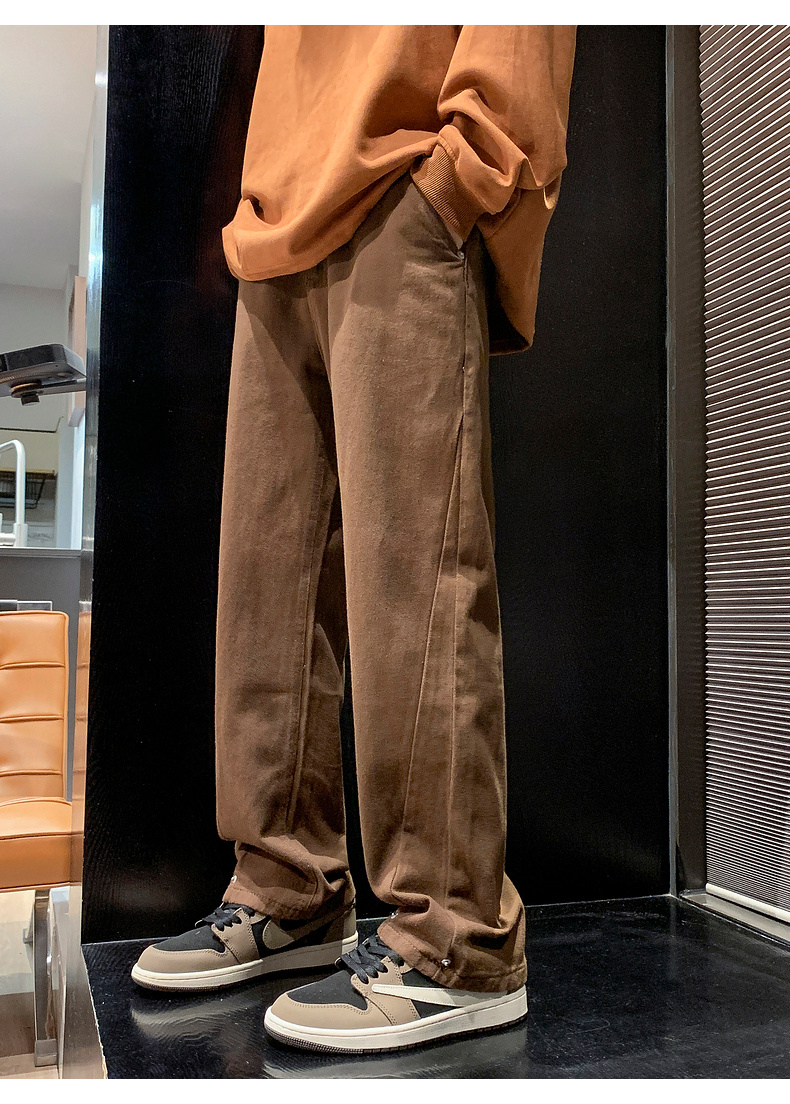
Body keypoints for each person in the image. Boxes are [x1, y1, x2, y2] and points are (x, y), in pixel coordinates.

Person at [132, 25, 576, 1054]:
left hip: (403, 179)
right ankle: (286, 887)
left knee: (414, 579)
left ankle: (457, 943)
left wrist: (467, 169)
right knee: (266, 588)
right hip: (278, 218)